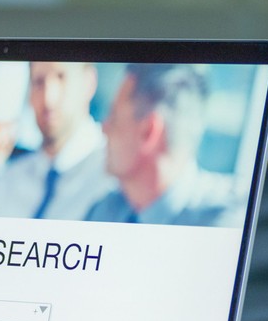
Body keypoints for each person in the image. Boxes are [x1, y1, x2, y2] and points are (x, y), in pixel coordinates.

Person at [86, 64, 243, 226]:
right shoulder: (105, 210)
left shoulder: (227, 220)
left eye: (114, 118)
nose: (104, 128)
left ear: (148, 132)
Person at [0, 60, 113, 220]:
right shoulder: (7, 181)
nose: (49, 98)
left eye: (61, 77)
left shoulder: (114, 178)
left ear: (89, 83)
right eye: (39, 82)